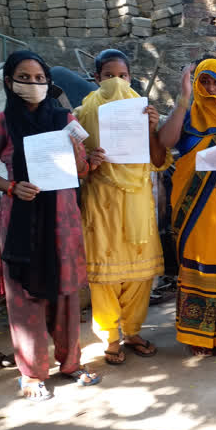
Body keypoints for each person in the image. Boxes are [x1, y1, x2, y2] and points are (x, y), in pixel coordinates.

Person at [0, 50, 100, 401]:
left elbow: (80, 171)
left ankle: (70, 363)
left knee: (65, 294)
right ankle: (31, 374)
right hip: (20, 219)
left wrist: (86, 155)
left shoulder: (64, 118)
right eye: (25, 78)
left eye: (40, 79)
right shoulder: (0, 122)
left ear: (49, 83)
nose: (34, 84)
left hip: (62, 220)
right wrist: (12, 187)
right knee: (25, 298)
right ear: (9, 82)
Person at [77, 49, 171, 365]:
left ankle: (132, 331)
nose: (117, 83)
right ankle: (110, 337)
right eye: (108, 76)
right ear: (96, 78)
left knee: (140, 276)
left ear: (130, 77)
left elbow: (159, 160)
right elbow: (73, 164)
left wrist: (152, 128)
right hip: (102, 204)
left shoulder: (142, 110)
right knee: (105, 278)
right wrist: (89, 161)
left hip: (138, 202)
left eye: (123, 76)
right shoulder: (82, 114)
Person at [157, 58, 216, 356]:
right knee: (200, 264)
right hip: (195, 204)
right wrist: (183, 99)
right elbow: (164, 142)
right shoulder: (187, 116)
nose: (211, 88)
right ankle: (198, 335)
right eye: (204, 82)